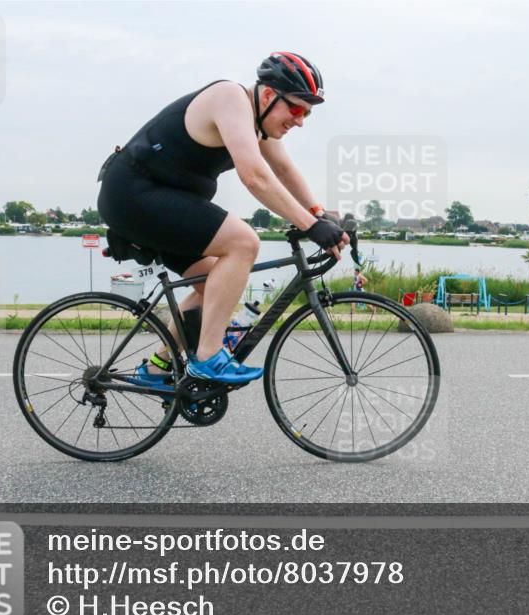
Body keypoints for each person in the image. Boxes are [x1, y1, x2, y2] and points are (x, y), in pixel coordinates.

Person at [97, 52, 348, 385]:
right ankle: (208, 357)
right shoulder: (230, 98)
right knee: (243, 242)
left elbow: (284, 170)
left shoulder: (257, 127)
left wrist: (320, 215)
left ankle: (158, 367)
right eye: (297, 109)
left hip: (157, 200)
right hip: (133, 193)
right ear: (269, 96)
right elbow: (255, 176)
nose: (300, 120)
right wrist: (311, 226)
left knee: (213, 283)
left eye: (307, 114)